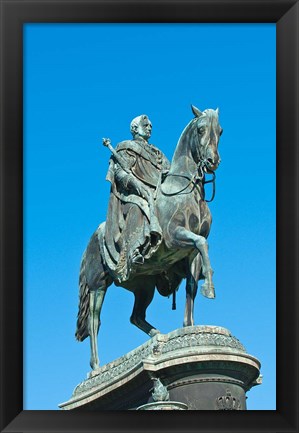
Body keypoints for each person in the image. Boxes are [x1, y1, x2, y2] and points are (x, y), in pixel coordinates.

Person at [102, 114, 170, 283]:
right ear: (134, 129)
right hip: (131, 194)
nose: (149, 128)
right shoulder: (126, 147)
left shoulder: (157, 153)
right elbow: (119, 172)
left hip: (157, 192)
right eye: (146, 125)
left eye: (151, 126)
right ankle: (133, 250)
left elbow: (168, 172)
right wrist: (136, 184)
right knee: (139, 207)